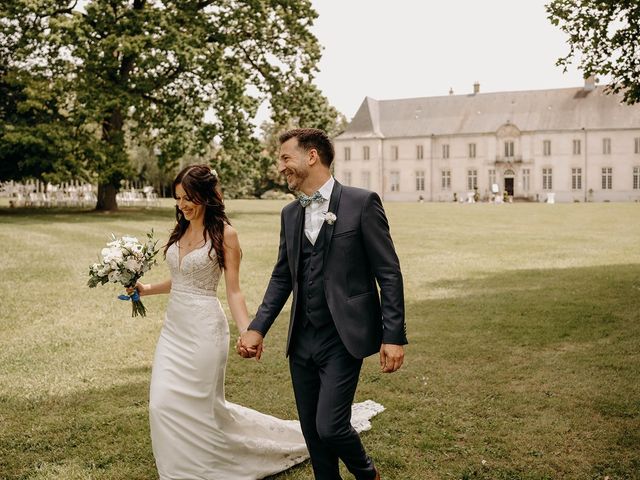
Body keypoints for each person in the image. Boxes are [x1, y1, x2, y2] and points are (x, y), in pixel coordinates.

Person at [130, 164, 382, 480]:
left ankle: (202, 466)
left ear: (206, 197)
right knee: (161, 405)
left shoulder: (226, 235)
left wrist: (249, 330)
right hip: (173, 332)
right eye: (178, 198)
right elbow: (181, 277)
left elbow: (233, 291)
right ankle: (177, 468)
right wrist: (146, 289)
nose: (182, 205)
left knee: (202, 409)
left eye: (188, 198)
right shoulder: (180, 230)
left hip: (205, 332)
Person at [239, 129, 408, 480]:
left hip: (343, 336)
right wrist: (257, 328)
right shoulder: (289, 214)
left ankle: (367, 473)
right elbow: (282, 277)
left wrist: (393, 336)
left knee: (330, 426)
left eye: (286, 157)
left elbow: (388, 273)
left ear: (311, 156)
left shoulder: (362, 203)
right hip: (301, 339)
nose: (280, 166)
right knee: (313, 434)